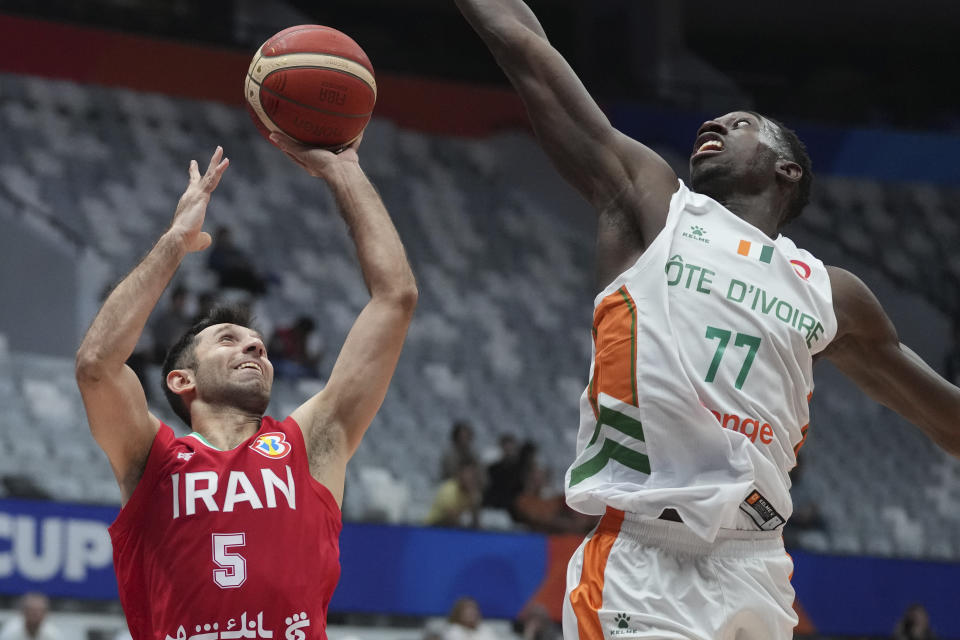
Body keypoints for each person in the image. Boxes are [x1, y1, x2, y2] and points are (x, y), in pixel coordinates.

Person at [453, 2, 960, 638]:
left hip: (757, 565)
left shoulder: (830, 293)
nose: (713, 120)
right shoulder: (656, 209)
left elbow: (947, 420)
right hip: (644, 558)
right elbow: (525, 50)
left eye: (741, 120)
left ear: (787, 170)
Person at [75, 136, 417, 640]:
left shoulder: (311, 443)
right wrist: (175, 241)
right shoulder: (154, 458)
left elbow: (396, 297)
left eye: (258, 344)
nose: (255, 348)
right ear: (181, 379)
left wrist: (346, 174)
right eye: (229, 340)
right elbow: (96, 366)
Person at [425, 461, 482, 528]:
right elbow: (452, 519)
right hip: (433, 527)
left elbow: (476, 521)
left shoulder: (473, 492)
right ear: (460, 474)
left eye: (473, 475)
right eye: (467, 474)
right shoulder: (449, 489)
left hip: (452, 528)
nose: (470, 478)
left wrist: (475, 503)